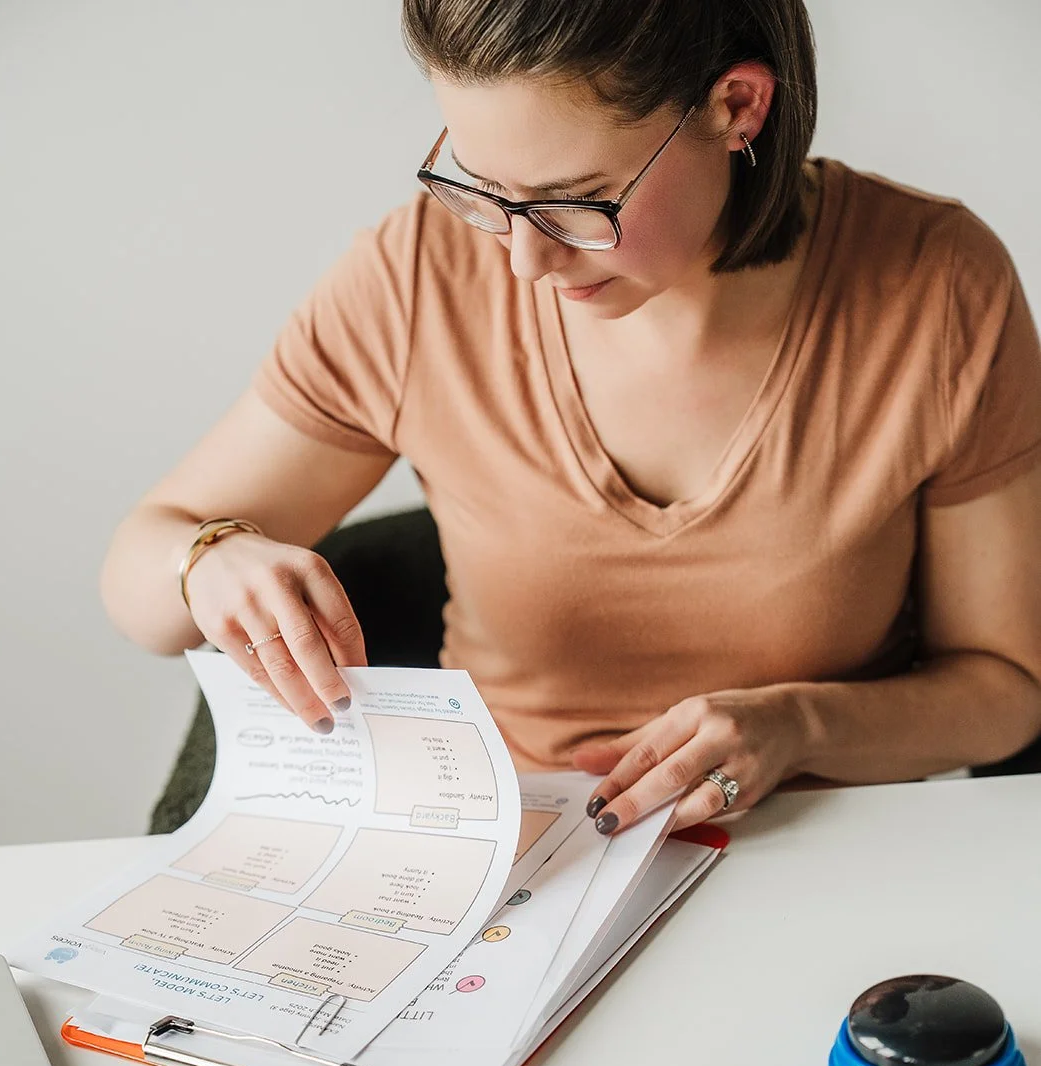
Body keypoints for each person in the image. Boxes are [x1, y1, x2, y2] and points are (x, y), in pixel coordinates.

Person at [99, 0, 1041, 838]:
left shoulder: (938, 285)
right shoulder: (415, 281)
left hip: (827, 853)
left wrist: (798, 727)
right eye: (479, 188)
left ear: (736, 107)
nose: (521, 265)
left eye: (575, 204)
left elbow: (1004, 689)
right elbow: (143, 573)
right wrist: (208, 565)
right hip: (518, 876)